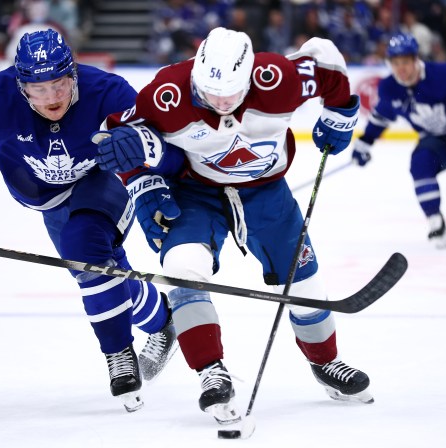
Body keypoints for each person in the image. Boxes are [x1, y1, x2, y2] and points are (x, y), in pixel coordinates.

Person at [92, 27, 372, 425]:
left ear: (251, 77)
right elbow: (121, 136)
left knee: (304, 282)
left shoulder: (278, 77)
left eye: (231, 94)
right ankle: (210, 371)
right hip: (195, 192)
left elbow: (327, 65)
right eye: (209, 93)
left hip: (267, 192)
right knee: (182, 269)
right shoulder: (167, 91)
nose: (221, 102)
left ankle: (326, 362)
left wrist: (340, 112)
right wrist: (144, 181)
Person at [0, 29, 178, 412]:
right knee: (98, 273)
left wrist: (142, 151)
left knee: (83, 245)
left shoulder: (107, 91)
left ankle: (119, 353)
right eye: (38, 89)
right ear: (21, 86)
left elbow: (157, 139)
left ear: (74, 75)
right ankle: (161, 319)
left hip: (101, 182)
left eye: (60, 84)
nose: (52, 97)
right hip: (48, 201)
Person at [351, 32, 446, 248]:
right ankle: (435, 221)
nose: (401, 68)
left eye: (405, 61)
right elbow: (381, 117)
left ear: (416, 59)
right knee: (420, 163)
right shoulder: (389, 87)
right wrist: (365, 142)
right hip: (437, 142)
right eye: (395, 63)